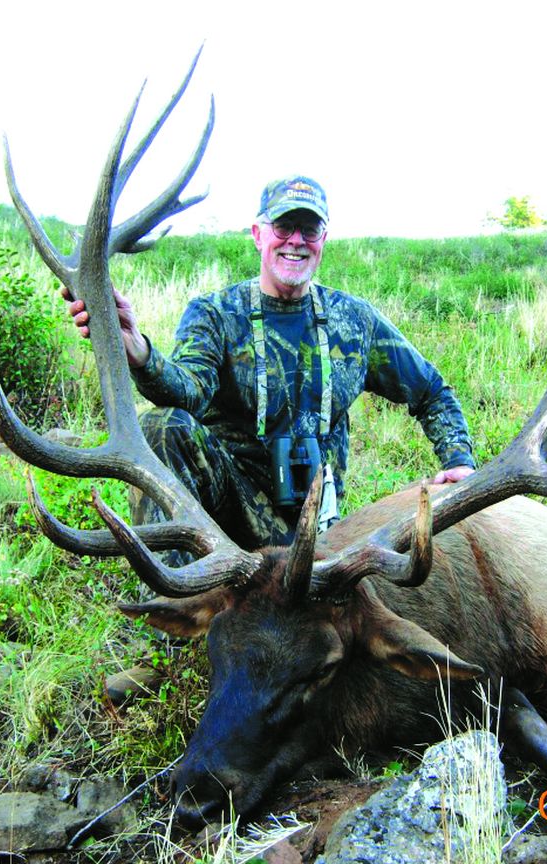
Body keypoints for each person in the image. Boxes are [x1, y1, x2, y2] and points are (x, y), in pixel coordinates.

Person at [66, 176, 476, 702]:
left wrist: (459, 460)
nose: (296, 240)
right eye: (284, 226)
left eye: (309, 228)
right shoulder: (216, 314)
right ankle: (167, 652)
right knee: (163, 428)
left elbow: (432, 390)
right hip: (229, 522)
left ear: (324, 238)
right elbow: (187, 390)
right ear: (258, 234)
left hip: (318, 533)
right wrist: (139, 350)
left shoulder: (355, 323)